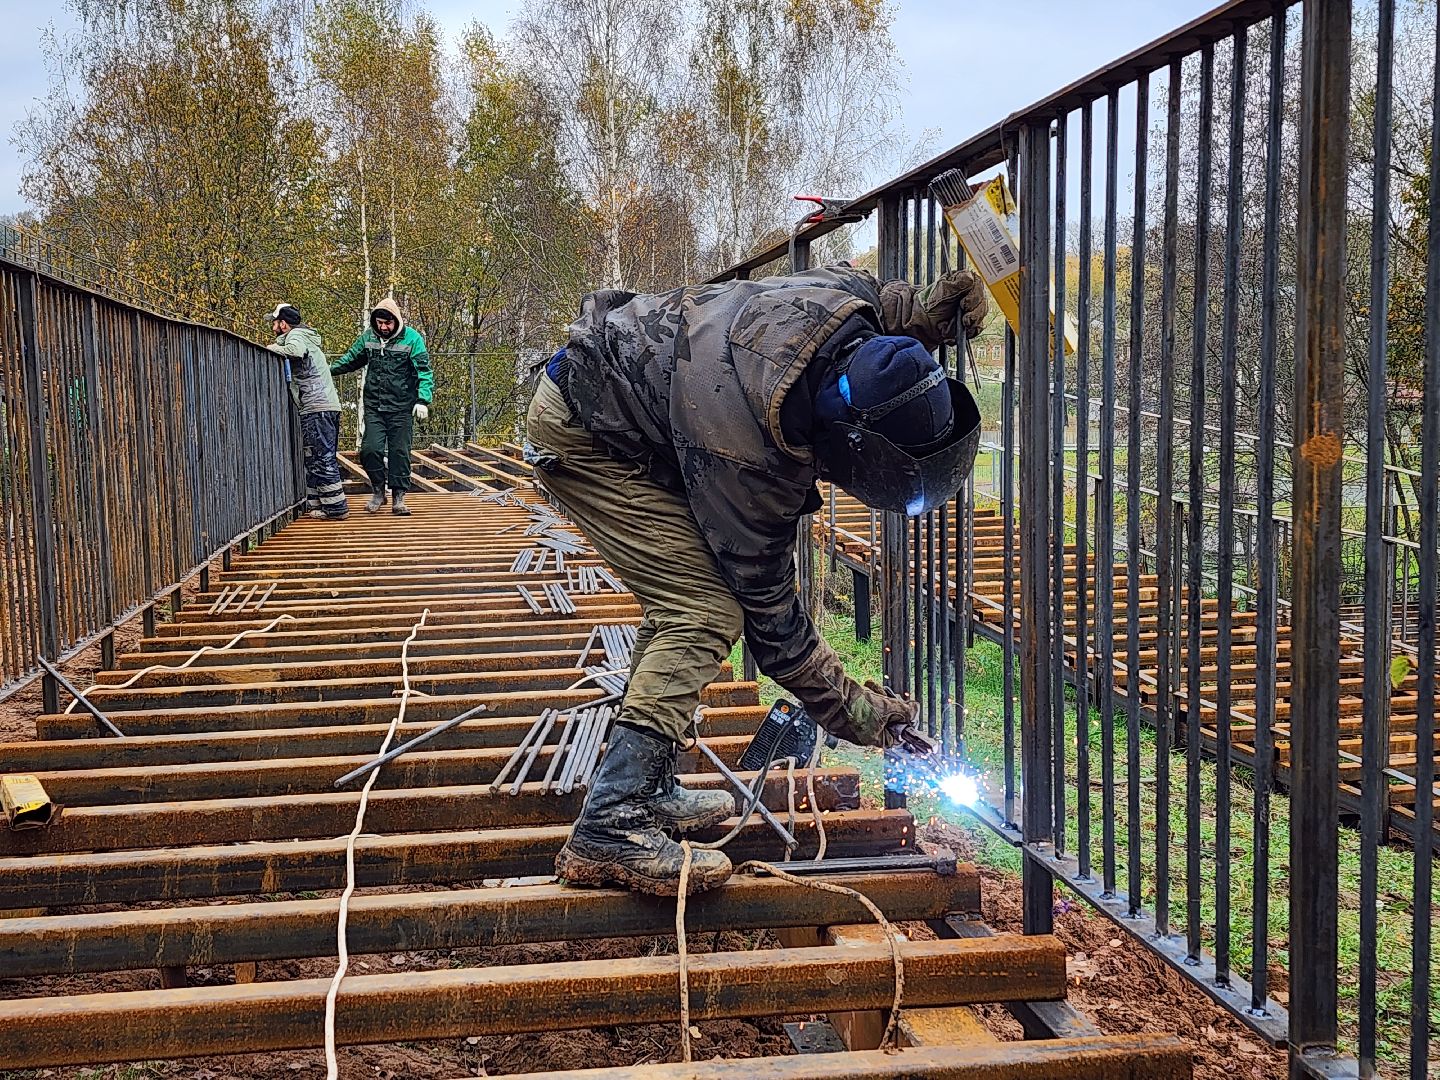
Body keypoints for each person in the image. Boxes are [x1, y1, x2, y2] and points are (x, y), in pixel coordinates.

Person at [525, 262, 986, 897]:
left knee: (684, 602)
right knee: (702, 612)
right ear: (847, 443)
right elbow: (775, 630)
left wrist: (929, 309)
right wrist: (872, 719)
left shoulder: (843, 309)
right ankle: (609, 826)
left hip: (640, 390)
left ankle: (648, 784)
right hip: (589, 434)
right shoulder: (745, 457)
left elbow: (878, 301)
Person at [330, 297, 433, 516]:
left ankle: (399, 497)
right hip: (375, 405)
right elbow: (350, 359)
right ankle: (378, 490)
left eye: (387, 323)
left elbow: (424, 371)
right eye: (379, 323)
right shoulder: (369, 337)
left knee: (399, 451)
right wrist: (325, 371)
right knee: (370, 449)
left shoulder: (412, 339)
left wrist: (423, 400)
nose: (383, 327)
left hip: (402, 406)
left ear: (396, 321)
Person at [266, 304, 347, 520]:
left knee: (321, 457)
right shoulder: (306, 336)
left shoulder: (296, 336)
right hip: (323, 406)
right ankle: (318, 504)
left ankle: (336, 508)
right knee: (314, 456)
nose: (272, 327)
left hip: (317, 407)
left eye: (274, 322)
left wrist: (272, 349)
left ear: (283, 324)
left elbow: (295, 351)